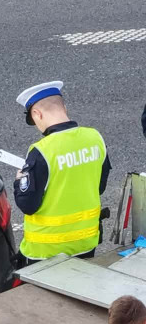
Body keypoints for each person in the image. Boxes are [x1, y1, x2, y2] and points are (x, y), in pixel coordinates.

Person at [14, 80, 110, 264]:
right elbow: (100, 186)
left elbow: (28, 204)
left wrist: (19, 181)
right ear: (64, 107)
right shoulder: (95, 138)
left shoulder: (41, 151)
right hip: (85, 243)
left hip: (44, 251)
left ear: (37, 114)